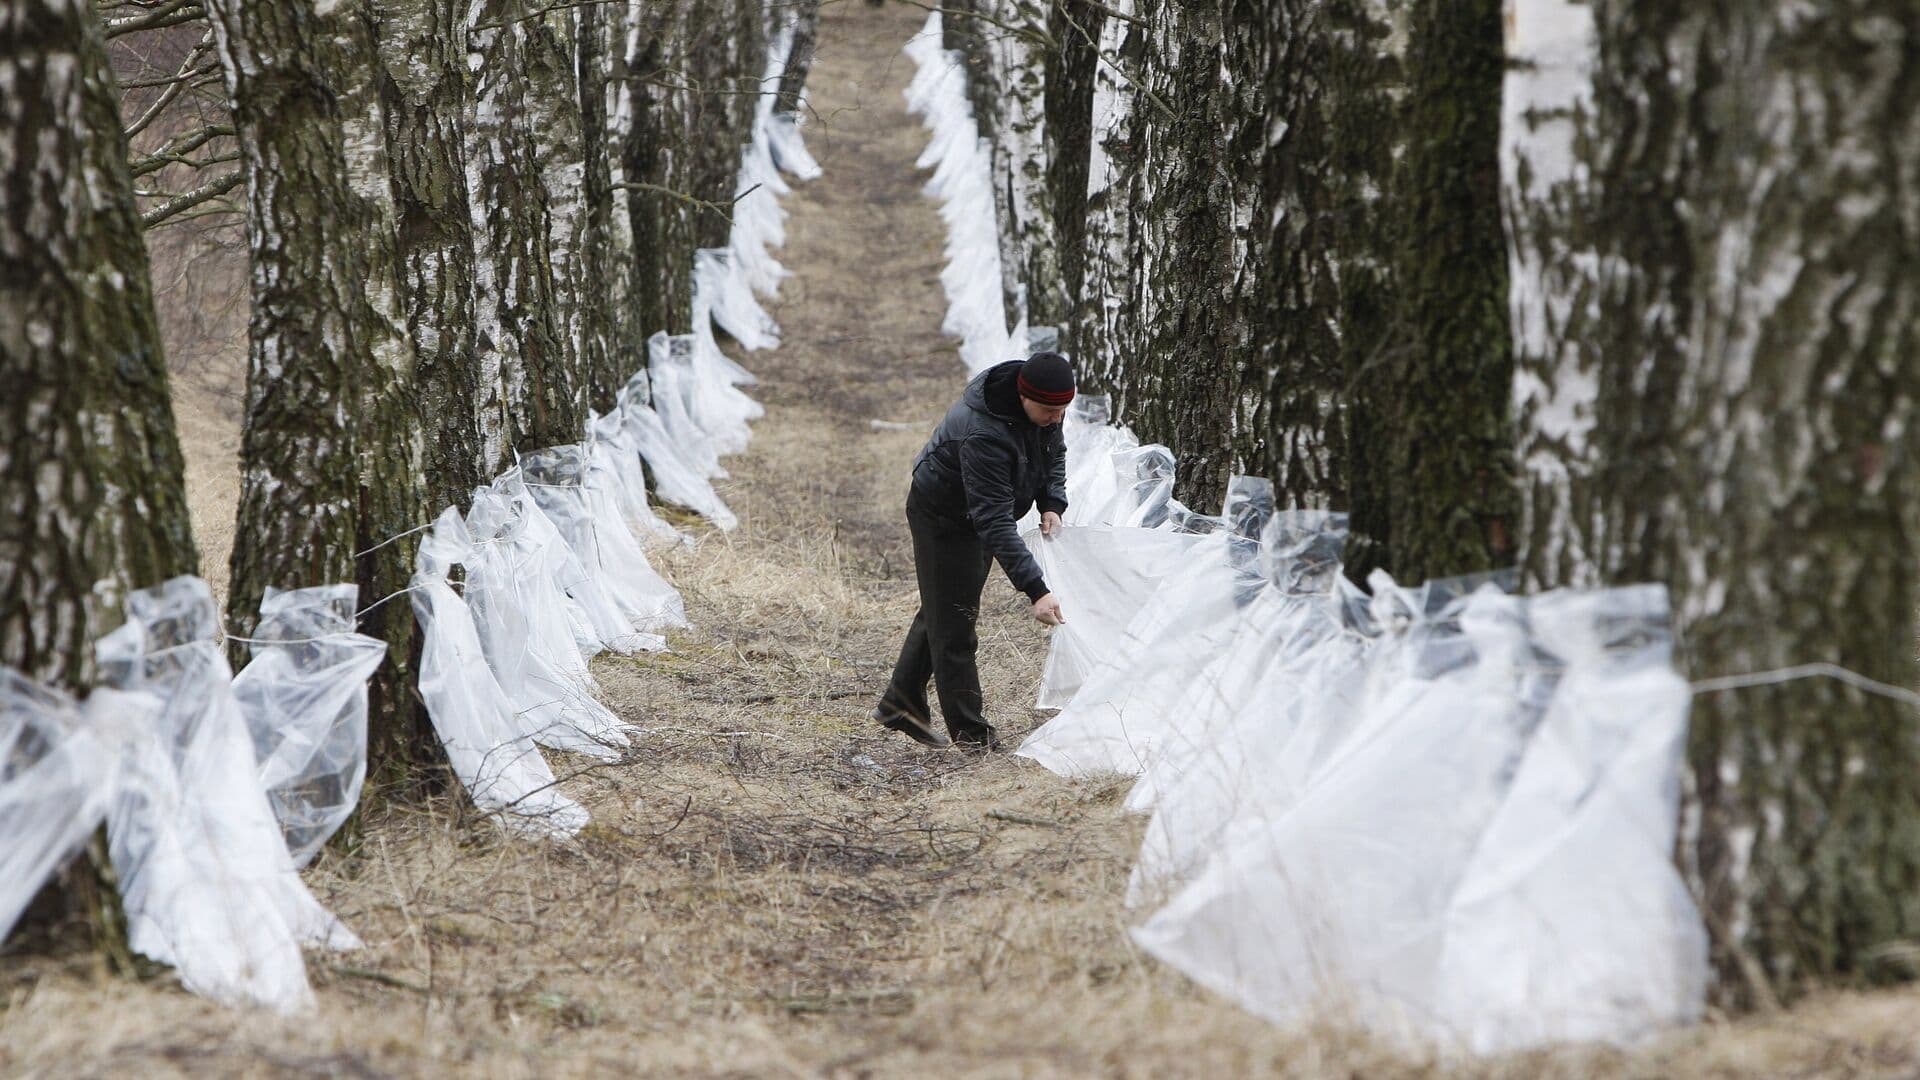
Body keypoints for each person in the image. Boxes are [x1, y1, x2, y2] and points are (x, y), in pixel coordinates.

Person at [872, 351, 1075, 750]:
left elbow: (1054, 453)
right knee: (956, 625)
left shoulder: (1045, 408)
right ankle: (972, 737)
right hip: (944, 517)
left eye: (1063, 410)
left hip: (977, 513)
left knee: (945, 607)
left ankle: (901, 702)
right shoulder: (983, 433)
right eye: (1050, 410)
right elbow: (994, 521)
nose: (1057, 418)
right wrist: (1036, 589)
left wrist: (1052, 500)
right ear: (1023, 397)